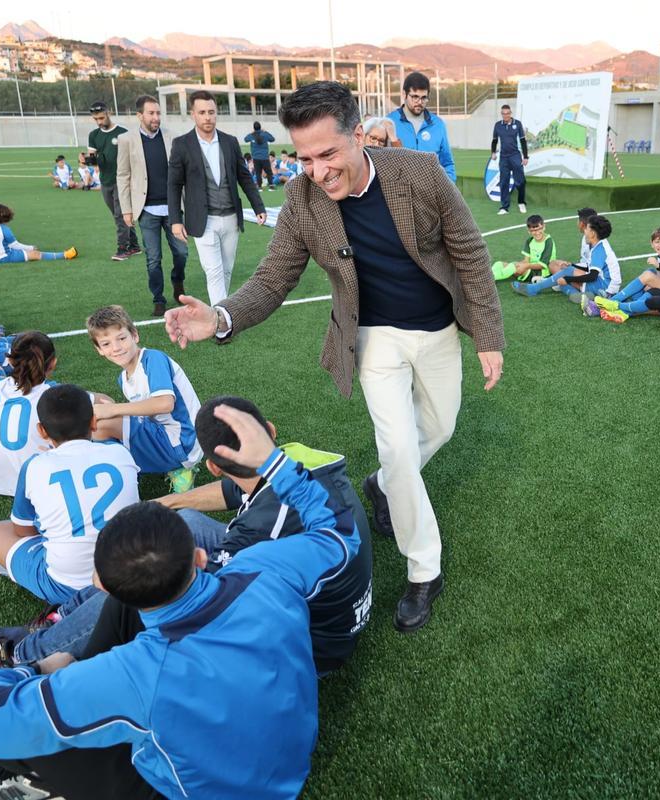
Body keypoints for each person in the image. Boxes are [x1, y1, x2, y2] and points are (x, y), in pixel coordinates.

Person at [164, 81, 504, 632]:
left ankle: (381, 486)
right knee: (397, 447)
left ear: (358, 135)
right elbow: (273, 278)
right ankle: (425, 570)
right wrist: (221, 316)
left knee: (437, 430)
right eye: (304, 158)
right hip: (371, 338)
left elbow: (469, 249)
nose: (318, 170)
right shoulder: (301, 201)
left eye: (328, 154)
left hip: (439, 329)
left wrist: (487, 335)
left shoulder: (420, 173)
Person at [0, 404, 361, 800]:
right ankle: (51, 668)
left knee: (43, 733)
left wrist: (35, 672)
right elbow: (338, 530)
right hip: (288, 760)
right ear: (200, 557)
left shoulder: (135, 672)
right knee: (89, 702)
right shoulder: (266, 568)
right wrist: (274, 464)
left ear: (104, 587)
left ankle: (33, 754)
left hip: (211, 790)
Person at [0, 384, 139, 613]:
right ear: (93, 422)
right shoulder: (119, 452)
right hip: (130, 571)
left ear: (41, 430)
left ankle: (19, 570)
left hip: (68, 585)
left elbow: (23, 531)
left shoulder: (35, 465)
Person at [87, 305, 202, 493]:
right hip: (162, 434)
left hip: (183, 443)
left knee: (103, 423)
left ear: (135, 336)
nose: (115, 348)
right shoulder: (123, 379)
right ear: (99, 349)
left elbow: (165, 403)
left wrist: (114, 410)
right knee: (101, 408)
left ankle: (177, 469)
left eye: (121, 338)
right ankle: (128, 467)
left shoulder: (152, 359)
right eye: (106, 344)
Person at [167, 90, 267, 306]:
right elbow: (174, 185)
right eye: (202, 112)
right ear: (193, 114)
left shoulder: (230, 142)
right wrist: (175, 220)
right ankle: (221, 322)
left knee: (227, 269)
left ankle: (221, 312)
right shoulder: (182, 144)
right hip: (203, 220)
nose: (207, 117)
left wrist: (258, 206)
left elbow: (244, 177)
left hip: (231, 217)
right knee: (214, 271)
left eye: (211, 112)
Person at [118, 94, 189, 318]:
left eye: (158, 113)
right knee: (153, 258)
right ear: (140, 115)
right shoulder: (127, 140)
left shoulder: (172, 138)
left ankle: (178, 281)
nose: (156, 117)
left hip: (173, 208)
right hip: (146, 210)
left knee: (182, 252)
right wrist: (126, 209)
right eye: (151, 113)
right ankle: (159, 298)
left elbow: (183, 172)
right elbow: (123, 175)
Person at [0, 331, 58, 497]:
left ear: (9, 361)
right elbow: (99, 401)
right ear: (53, 363)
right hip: (38, 482)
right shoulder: (52, 393)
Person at [513, 213, 620, 303]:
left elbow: (592, 276)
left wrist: (568, 278)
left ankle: (533, 289)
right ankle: (577, 294)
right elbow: (591, 268)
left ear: (592, 233)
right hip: (605, 285)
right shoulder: (599, 244)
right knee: (564, 274)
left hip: (605, 288)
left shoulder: (599, 250)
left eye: (586, 228)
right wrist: (572, 265)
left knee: (565, 275)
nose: (584, 231)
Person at [591, 226, 660, 323]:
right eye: (657, 242)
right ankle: (626, 310)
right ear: (652, 244)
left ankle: (613, 302)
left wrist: (659, 265)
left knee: (648, 276)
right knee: (647, 279)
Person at [88, 102, 141, 262]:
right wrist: (86, 160)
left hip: (122, 181)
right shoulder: (93, 135)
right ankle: (135, 246)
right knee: (118, 216)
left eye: (101, 118)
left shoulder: (123, 133)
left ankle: (122, 249)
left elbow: (134, 158)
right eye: (95, 119)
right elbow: (93, 158)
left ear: (109, 112)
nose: (99, 122)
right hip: (105, 181)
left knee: (120, 215)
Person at [387, 72, 456, 181]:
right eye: (415, 97)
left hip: (431, 195)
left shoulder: (438, 124)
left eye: (424, 98)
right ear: (404, 94)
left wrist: (448, 188)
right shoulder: (389, 122)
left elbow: (447, 163)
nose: (419, 102)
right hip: (401, 195)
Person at [0, 203, 77, 263]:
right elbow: (16, 245)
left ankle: (64, 254)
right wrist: (30, 248)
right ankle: (65, 255)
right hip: (2, 257)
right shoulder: (3, 229)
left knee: (26, 252)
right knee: (35, 254)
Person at [490, 103, 529, 215]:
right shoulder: (498, 125)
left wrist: (525, 156)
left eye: (508, 113)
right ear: (501, 114)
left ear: (510, 113)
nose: (506, 116)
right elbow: (494, 140)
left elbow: (522, 140)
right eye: (503, 114)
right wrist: (493, 152)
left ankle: (521, 202)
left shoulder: (517, 124)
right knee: (504, 182)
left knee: (520, 181)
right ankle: (504, 207)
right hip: (503, 158)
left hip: (515, 156)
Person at [492, 214, 555, 282]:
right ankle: (488, 275)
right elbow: (526, 261)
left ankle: (489, 279)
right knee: (499, 264)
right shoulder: (529, 241)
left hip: (541, 273)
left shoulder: (548, 242)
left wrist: (524, 266)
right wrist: (519, 264)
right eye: (533, 230)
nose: (537, 233)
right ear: (528, 230)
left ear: (544, 227)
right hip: (529, 267)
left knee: (513, 267)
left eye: (539, 229)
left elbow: (542, 265)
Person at [245, 121, 276, 190]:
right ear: (260, 127)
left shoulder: (252, 135)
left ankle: (259, 187)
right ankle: (271, 186)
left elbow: (245, 139)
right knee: (269, 172)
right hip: (264, 157)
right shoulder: (264, 134)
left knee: (258, 173)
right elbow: (272, 139)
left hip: (256, 157)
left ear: (254, 128)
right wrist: (265, 131)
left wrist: (251, 132)